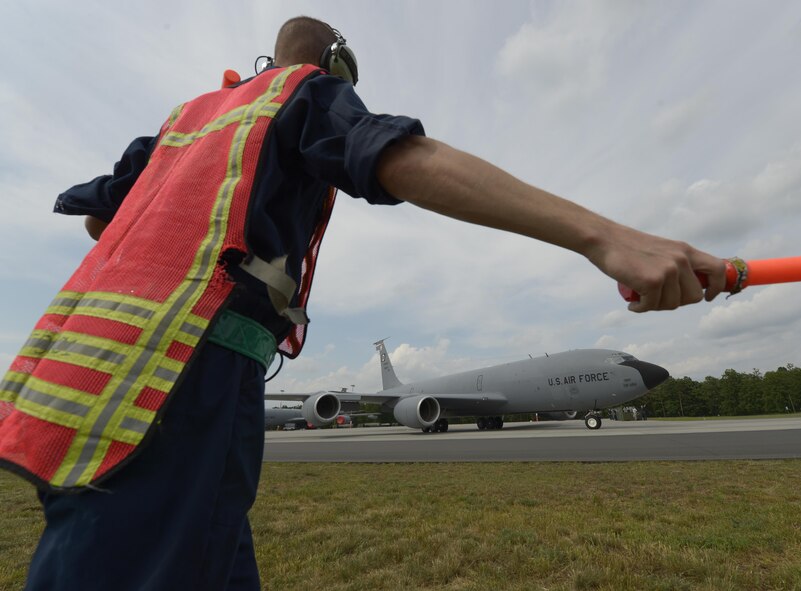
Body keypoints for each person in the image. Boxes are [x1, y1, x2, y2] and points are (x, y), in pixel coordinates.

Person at [0, 16, 726, 590]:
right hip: (182, 370)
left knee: (187, 550)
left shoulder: (182, 122)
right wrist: (605, 237)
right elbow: (403, 158)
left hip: (80, 367)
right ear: (332, 67)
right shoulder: (301, 94)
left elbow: (100, 219)